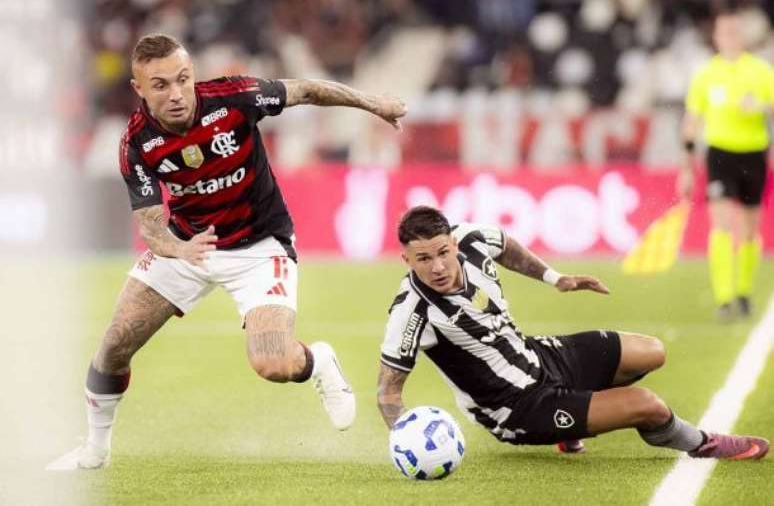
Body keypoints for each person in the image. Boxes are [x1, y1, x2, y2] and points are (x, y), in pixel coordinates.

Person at [47, 34, 407, 471]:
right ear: (138, 89)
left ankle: (318, 363)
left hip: (259, 244)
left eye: (183, 79)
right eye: (161, 85)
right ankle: (95, 450)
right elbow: (150, 228)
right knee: (113, 346)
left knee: (273, 363)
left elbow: (307, 90)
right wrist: (181, 248)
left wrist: (375, 104)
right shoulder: (136, 144)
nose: (177, 94)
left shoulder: (236, 97)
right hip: (186, 246)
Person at [377, 205, 768, 460]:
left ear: (453, 242)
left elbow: (506, 245)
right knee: (647, 405)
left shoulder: (473, 239)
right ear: (406, 259)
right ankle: (702, 443)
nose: (438, 267)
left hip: (538, 356)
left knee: (652, 352)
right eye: (423, 260)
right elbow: (388, 392)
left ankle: (575, 416)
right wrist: (406, 442)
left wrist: (554, 278)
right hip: (516, 408)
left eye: (443, 252)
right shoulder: (411, 312)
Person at [680, 8, 774, 321]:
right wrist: (686, 165)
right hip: (720, 154)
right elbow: (692, 120)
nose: (730, 38)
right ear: (716, 36)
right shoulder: (706, 74)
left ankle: (743, 291)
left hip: (752, 153)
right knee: (720, 223)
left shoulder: (760, 71)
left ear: (743, 35)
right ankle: (723, 297)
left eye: (735, 32)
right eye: (724, 32)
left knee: (749, 230)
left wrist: (760, 106)